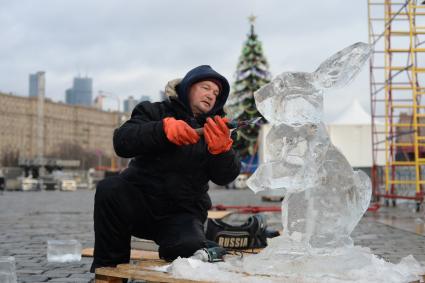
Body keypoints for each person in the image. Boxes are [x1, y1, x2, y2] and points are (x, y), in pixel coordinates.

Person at [91, 65, 241, 271]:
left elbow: (225, 176)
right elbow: (122, 142)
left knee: (188, 248)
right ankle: (109, 269)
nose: (211, 95)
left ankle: (204, 245)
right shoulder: (153, 111)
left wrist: (221, 151)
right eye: (206, 88)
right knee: (109, 189)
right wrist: (162, 130)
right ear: (187, 87)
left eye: (216, 93)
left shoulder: (219, 130)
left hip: (182, 212)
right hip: (139, 202)